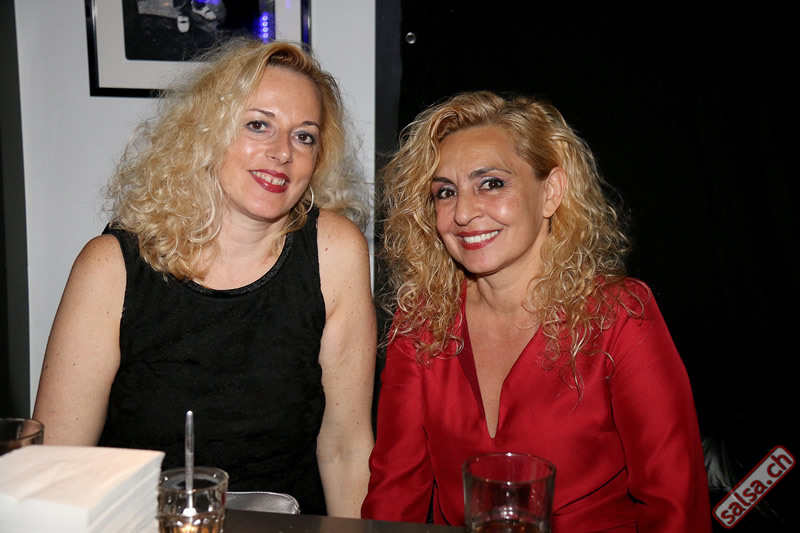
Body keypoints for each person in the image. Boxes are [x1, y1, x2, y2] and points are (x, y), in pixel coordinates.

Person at [33, 39, 376, 518]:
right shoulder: (110, 266)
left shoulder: (335, 252)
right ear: (206, 132)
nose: (282, 152)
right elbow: (59, 464)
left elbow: (345, 449)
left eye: (304, 137)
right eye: (258, 125)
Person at [361, 91, 711, 531]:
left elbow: (675, 507)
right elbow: (394, 500)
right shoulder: (421, 325)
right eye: (445, 192)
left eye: (491, 183)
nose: (463, 213)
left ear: (551, 192)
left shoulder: (618, 315)